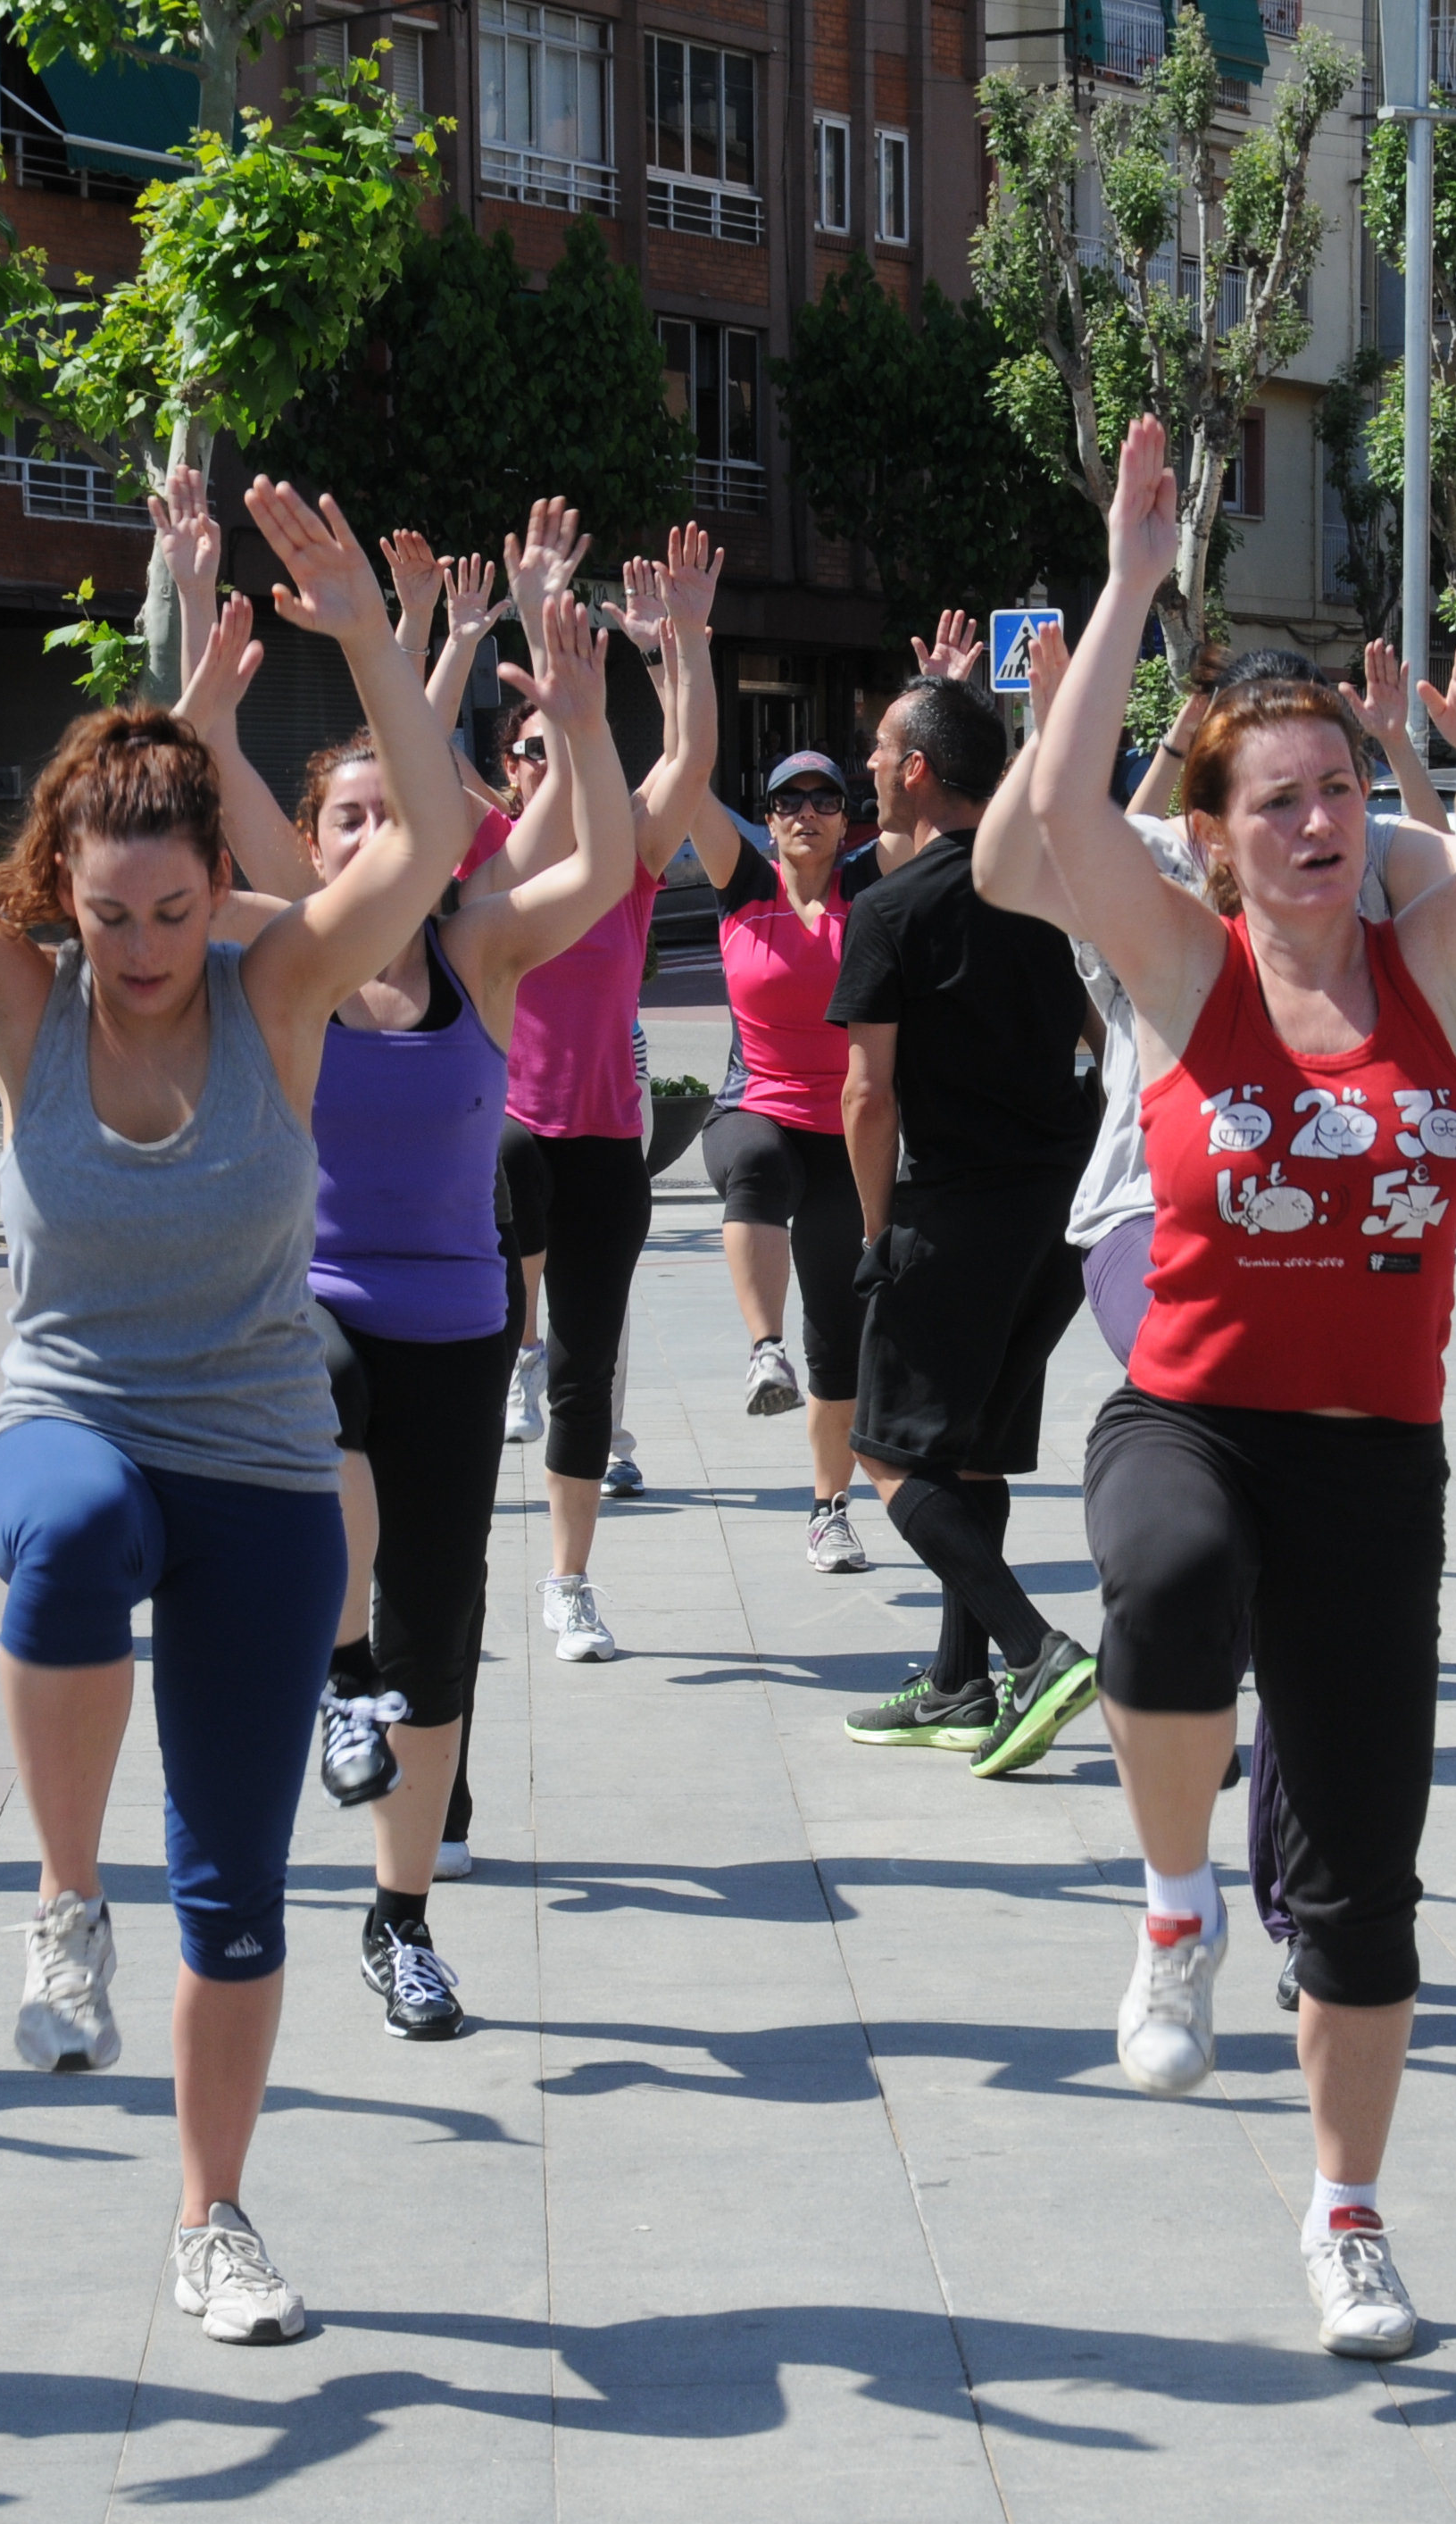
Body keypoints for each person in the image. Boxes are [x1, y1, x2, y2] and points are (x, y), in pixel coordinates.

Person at [0, 482, 477, 2344]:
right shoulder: (17, 991)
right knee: (64, 1536)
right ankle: (61, 1903)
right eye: (110, 910)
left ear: (223, 890)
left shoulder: (280, 990)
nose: (140, 945)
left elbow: (430, 835)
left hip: (265, 1467)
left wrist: (366, 632)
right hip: (69, 1420)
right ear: (66, 894)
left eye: (173, 909)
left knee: (236, 1885)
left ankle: (214, 2216)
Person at [1012, 413, 1456, 2359]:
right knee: (1166, 1586)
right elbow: (1059, 813)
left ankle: (1345, 2213)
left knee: (1360, 1885)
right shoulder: (1186, 972)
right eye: (1271, 799)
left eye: (1334, 786)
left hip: (1376, 1464)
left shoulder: (1436, 960)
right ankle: (1175, 1902)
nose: (1314, 819)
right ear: (1220, 835)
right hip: (1185, 1409)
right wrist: (1125, 583)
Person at [162, 498, 636, 2046]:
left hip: (461, 1322)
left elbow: (615, 854)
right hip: (310, 1301)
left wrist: (584, 719)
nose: (372, 837)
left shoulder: (481, 949)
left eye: (395, 814)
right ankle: (340, 1667)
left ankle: (401, 1914)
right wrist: (194, 625)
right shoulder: (272, 940)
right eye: (345, 819)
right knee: (326, 1406)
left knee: (448, 1634)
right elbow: (178, 800)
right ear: (306, 846)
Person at [831, 665, 1104, 1779]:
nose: (864, 772)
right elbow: (1103, 1029)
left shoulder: (888, 910)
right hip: (1062, 1208)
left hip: (954, 1213)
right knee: (970, 1451)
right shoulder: (1048, 890)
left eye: (877, 753)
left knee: (888, 1457)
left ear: (916, 772)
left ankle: (1036, 1650)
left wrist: (873, 1231)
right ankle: (957, 1680)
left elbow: (866, 1096)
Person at [458, 512, 720, 1662]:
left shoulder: (622, 874)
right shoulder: (479, 860)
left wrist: (690, 648)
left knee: (586, 1369)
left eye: (551, 745)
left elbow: (688, 764)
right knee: (475, 1355)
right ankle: (433, 1561)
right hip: (498, 1136)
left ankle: (568, 1583)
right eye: (521, 751)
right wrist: (513, 615)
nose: (540, 761)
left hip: (609, 1145)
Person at [695, 746, 881, 1574]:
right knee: (758, 1163)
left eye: (824, 798)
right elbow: (683, 777)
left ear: (847, 816)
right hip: (755, 1107)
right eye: (787, 801)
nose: (806, 812)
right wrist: (674, 676)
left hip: (849, 1131)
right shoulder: (744, 884)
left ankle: (830, 1510)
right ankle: (764, 1350)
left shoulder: (871, 887)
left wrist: (940, 699)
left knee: (839, 1340)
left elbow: (950, 817)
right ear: (766, 820)